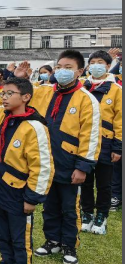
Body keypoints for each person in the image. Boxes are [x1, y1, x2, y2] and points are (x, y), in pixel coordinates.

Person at [12, 51, 101, 264]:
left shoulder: (86, 99)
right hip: (46, 163)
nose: (62, 71)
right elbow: (17, 96)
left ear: (80, 71)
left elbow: (91, 136)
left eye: (68, 67)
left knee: (70, 208)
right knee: (50, 205)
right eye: (59, 66)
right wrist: (20, 78)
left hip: (70, 165)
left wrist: (83, 167)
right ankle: (52, 240)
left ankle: (70, 245)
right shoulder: (44, 92)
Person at [0, 74, 55, 264]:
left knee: (20, 241)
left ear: (25, 97)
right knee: (3, 236)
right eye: (3, 93)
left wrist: (32, 198)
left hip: (19, 194)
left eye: (10, 93)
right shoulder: (1, 116)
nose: (4, 97)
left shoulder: (34, 126)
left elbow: (43, 166)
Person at [80, 51, 122, 235]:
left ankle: (101, 217)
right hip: (84, 142)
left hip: (106, 143)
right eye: (93, 62)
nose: (96, 65)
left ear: (107, 65)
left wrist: (118, 146)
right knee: (86, 181)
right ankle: (87, 213)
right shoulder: (82, 85)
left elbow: (120, 120)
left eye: (100, 62)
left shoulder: (116, 89)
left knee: (104, 183)